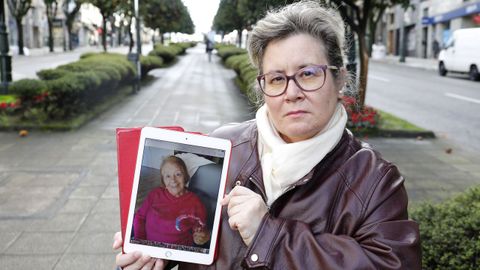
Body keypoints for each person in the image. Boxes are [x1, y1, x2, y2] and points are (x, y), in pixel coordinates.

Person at [113, 1, 421, 269]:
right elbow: (194, 238)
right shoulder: (226, 146)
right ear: (263, 87)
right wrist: (158, 256)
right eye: (276, 79)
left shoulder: (376, 182)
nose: (292, 93)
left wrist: (268, 234)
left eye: (308, 74)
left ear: (339, 79)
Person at [133, 156, 210, 247]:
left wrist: (201, 237)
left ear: (185, 176)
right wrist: (141, 244)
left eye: (178, 174)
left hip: (178, 254)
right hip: (150, 250)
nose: (173, 180)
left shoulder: (195, 202)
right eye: (168, 176)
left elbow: (201, 229)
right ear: (163, 181)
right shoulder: (154, 195)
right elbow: (140, 217)